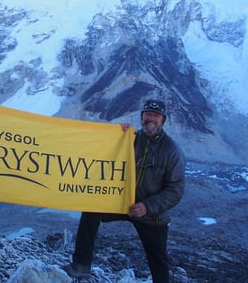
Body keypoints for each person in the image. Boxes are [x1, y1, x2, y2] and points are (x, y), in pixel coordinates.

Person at [63, 99, 186, 283]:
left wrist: (147, 206)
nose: (151, 118)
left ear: (163, 120)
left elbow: (175, 189)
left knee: (158, 261)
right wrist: (117, 134)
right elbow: (106, 152)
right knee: (91, 211)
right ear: (142, 117)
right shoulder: (132, 138)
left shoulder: (172, 151)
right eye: (147, 114)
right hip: (121, 203)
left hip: (151, 215)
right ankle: (81, 265)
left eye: (156, 115)